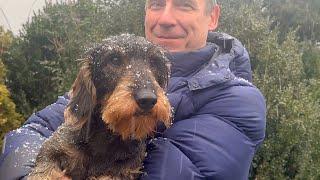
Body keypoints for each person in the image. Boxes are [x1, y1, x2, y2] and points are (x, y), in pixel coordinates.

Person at [0, 0, 266, 179]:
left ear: (213, 16)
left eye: (184, 4)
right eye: (156, 4)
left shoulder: (239, 100)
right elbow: (28, 133)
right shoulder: (103, 74)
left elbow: (174, 171)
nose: (165, 18)